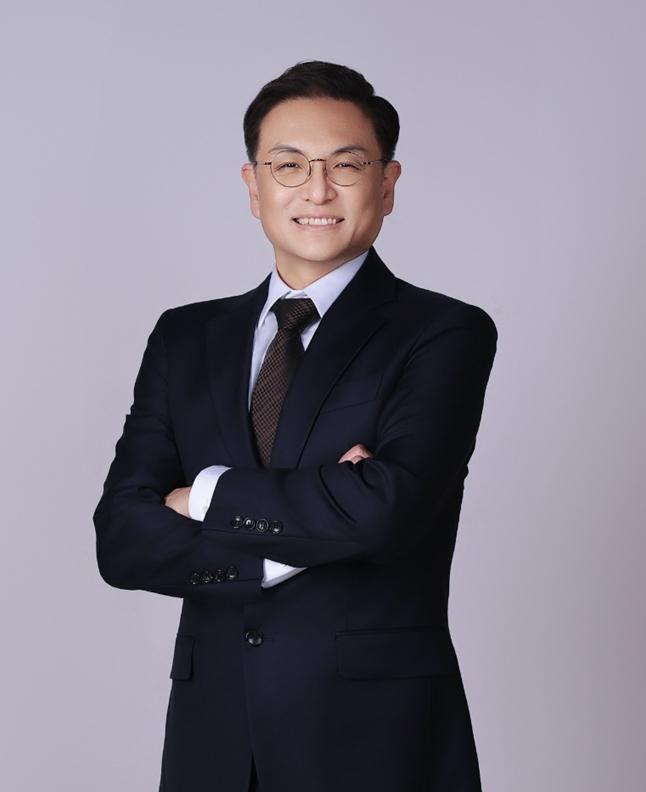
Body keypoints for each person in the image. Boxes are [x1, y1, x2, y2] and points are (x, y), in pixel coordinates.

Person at [93, 59, 498, 792]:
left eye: (347, 164)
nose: (317, 190)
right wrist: (295, 539)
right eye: (289, 165)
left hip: (376, 741)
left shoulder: (443, 333)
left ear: (387, 184)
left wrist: (203, 496)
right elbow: (121, 539)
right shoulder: (186, 338)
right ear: (254, 186)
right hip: (213, 741)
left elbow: (386, 509)